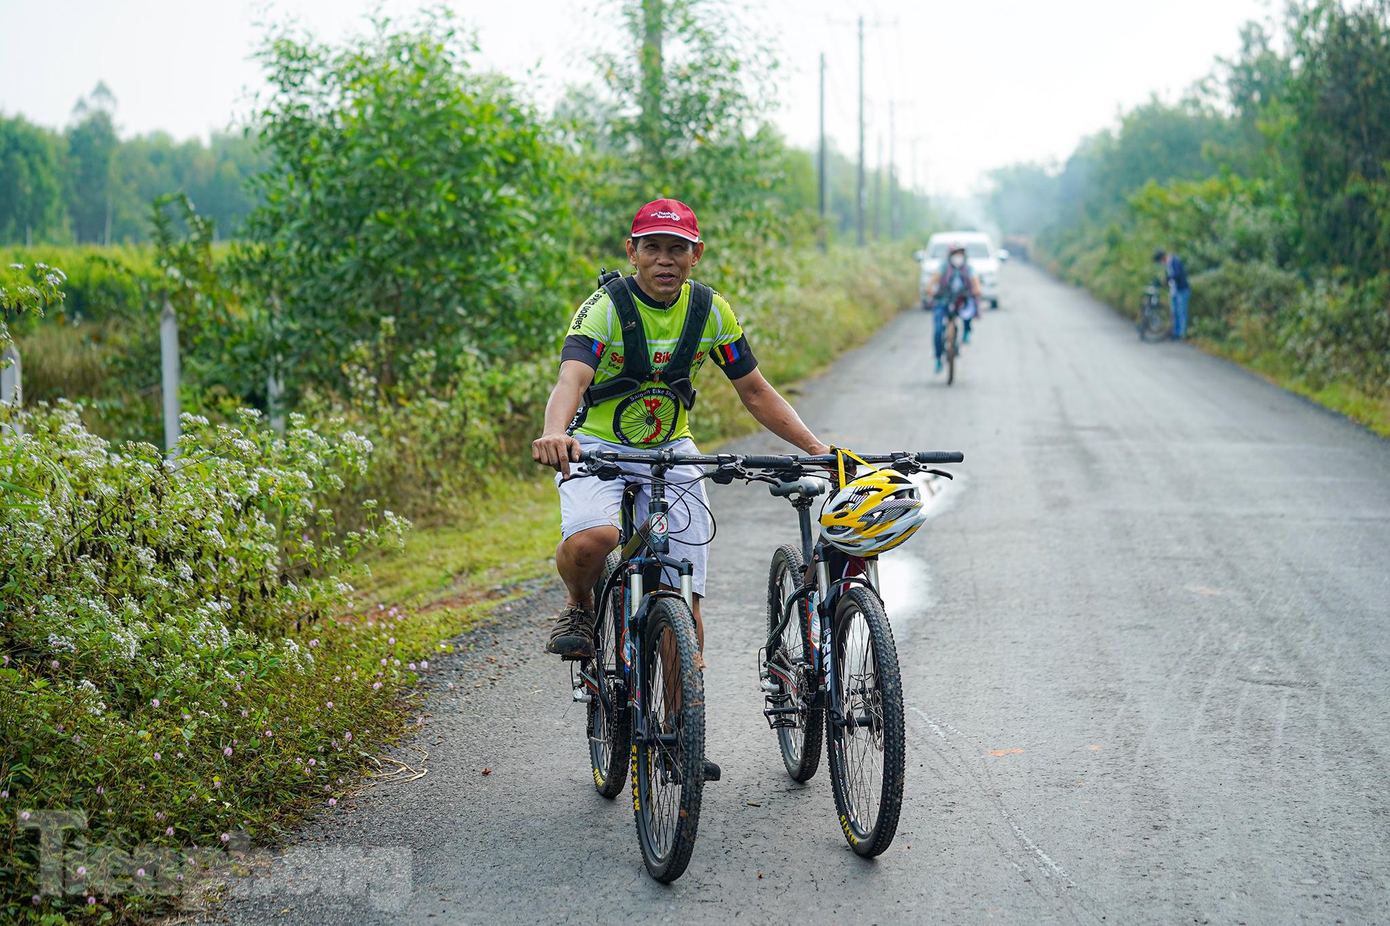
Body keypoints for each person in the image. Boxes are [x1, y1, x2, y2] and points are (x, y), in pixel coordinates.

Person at [531, 198, 832, 669]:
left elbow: (754, 391)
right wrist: (554, 433)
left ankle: (682, 731)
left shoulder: (711, 311)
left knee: (684, 597)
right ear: (633, 252)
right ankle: (579, 605)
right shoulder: (605, 308)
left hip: (672, 450)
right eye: (653, 248)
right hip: (595, 447)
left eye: (678, 248)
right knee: (597, 538)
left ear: (697, 254)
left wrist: (817, 450)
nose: (665, 260)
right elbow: (573, 378)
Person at [927, 242, 981, 374]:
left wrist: (975, 291)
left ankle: (967, 332)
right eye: (955, 254)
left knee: (969, 310)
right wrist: (932, 291)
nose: (958, 257)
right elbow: (931, 284)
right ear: (950, 256)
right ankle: (939, 356)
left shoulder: (968, 269)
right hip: (943, 301)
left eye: (960, 254)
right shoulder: (943, 268)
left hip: (960, 301)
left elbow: (976, 284)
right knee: (938, 329)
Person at [1154, 249, 1191, 340]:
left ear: (1162, 258)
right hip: (1174, 291)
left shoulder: (1175, 261)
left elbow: (1177, 274)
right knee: (1174, 312)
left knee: (1181, 311)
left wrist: (1167, 279)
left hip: (1181, 290)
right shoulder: (1168, 264)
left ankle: (1181, 333)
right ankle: (1175, 332)